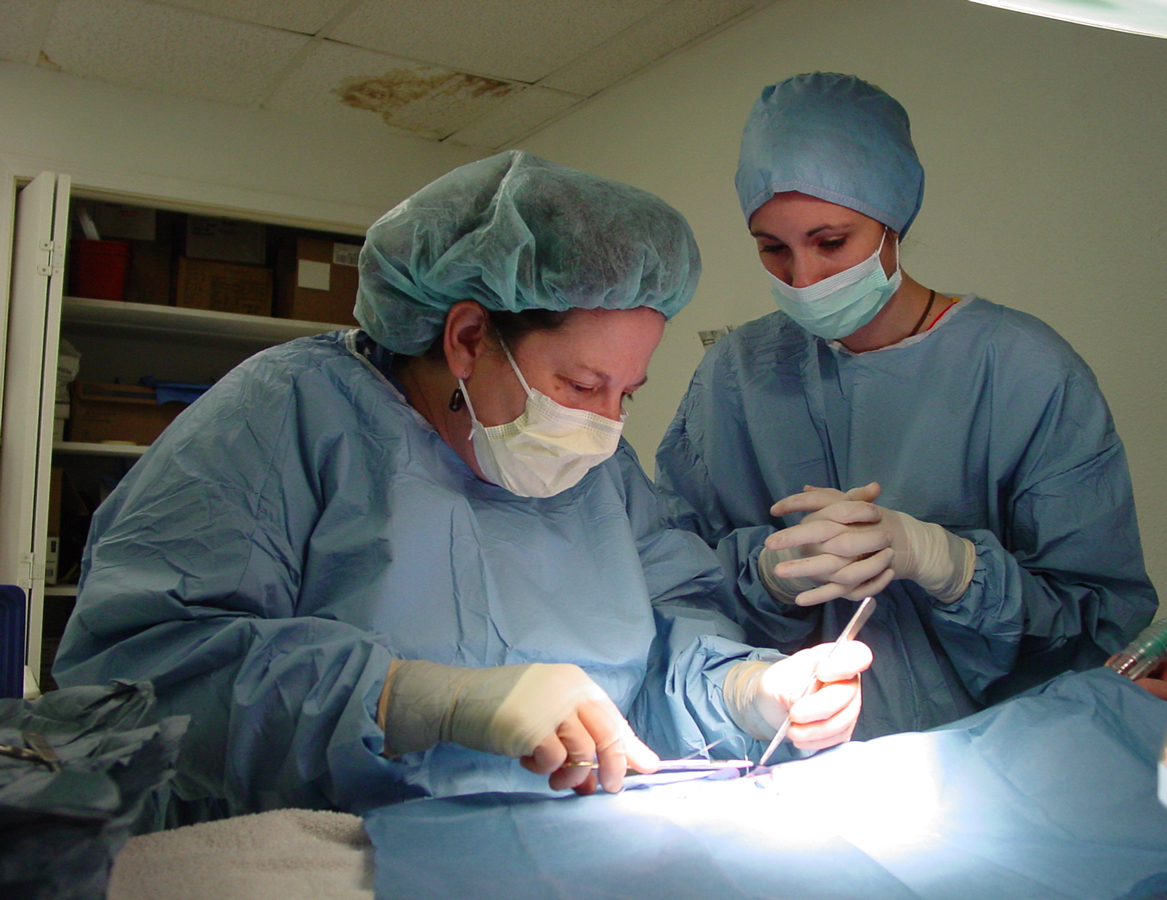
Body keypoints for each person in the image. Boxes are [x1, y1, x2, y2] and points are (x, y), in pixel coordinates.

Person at [53, 150, 871, 823]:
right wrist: (424, 700)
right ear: (470, 337)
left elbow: (667, 641)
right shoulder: (288, 416)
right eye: (584, 386)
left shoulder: (599, 472)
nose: (606, 426)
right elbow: (138, 676)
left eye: (630, 394)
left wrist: (750, 691)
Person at [655, 73, 1158, 739]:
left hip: (1010, 756)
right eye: (773, 249)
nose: (804, 279)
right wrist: (768, 576)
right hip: (804, 760)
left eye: (831, 242)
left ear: (894, 220)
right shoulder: (733, 377)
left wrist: (953, 567)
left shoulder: (1023, 370)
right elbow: (682, 587)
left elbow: (1099, 626)